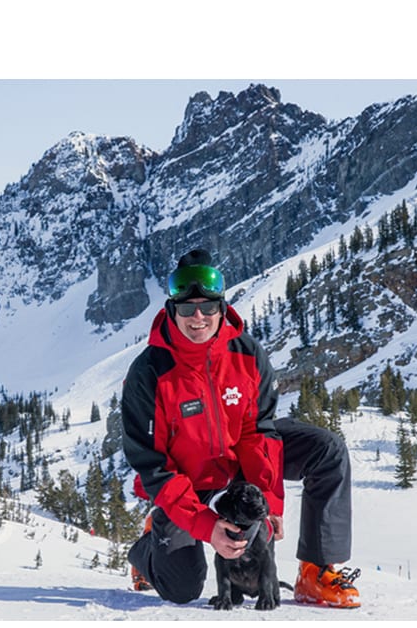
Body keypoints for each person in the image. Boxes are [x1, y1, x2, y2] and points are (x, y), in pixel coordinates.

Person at [123, 249, 360, 608]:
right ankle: (150, 547)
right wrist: (204, 525)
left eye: (208, 307)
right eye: (187, 309)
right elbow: (152, 464)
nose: (198, 317)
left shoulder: (247, 353)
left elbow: (259, 430)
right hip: (187, 479)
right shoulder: (149, 372)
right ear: (172, 310)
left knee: (325, 449)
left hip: (236, 466)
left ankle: (315, 570)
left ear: (222, 308)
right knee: (182, 588)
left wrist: (268, 502)